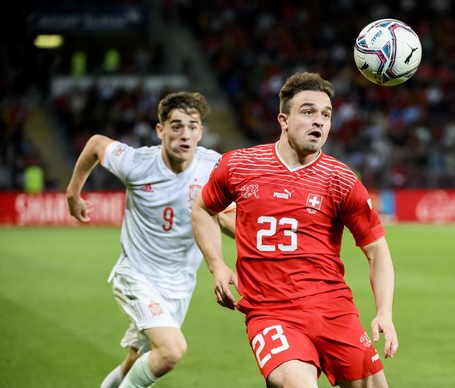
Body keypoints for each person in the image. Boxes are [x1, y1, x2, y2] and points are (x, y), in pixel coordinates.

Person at [191, 72, 397, 388]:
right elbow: (204, 209)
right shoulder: (240, 166)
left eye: (326, 115)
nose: (319, 121)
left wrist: (385, 313)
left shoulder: (341, 181)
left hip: (334, 311)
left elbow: (377, 249)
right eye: (308, 111)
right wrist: (217, 265)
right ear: (283, 120)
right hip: (271, 313)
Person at [66, 91, 235, 388]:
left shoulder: (214, 167)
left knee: (138, 360)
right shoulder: (137, 163)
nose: (185, 134)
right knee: (171, 351)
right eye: (177, 126)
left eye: (193, 126)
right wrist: (72, 194)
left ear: (201, 132)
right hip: (137, 274)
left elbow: (226, 216)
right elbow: (95, 144)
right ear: (160, 130)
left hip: (179, 285)